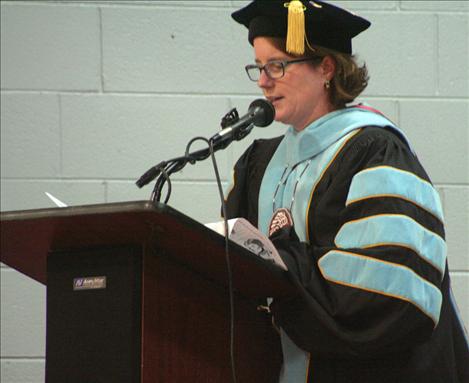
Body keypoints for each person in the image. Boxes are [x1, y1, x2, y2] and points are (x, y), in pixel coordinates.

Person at [225, 1, 469, 382]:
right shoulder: (258, 164)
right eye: (258, 67)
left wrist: (281, 267)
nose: (263, 81)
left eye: (277, 65)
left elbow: (385, 295)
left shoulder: (376, 153)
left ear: (326, 67)